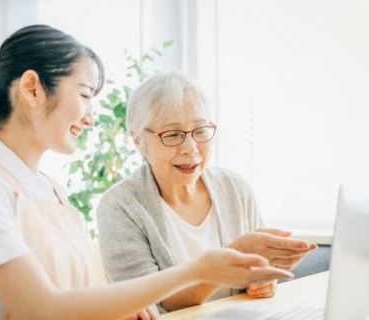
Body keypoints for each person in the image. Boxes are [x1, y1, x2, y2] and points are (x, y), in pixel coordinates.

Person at [0, 25, 294, 320]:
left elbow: (73, 298)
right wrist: (199, 269)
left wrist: (120, 306)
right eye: (85, 95)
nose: (90, 117)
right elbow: (41, 308)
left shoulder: (53, 191)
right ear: (31, 88)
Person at [97, 72, 317, 313]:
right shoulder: (119, 207)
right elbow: (150, 305)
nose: (190, 149)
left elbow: (255, 275)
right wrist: (236, 254)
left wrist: (262, 280)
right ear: (138, 141)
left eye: (200, 131)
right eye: (172, 135)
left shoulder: (235, 187)